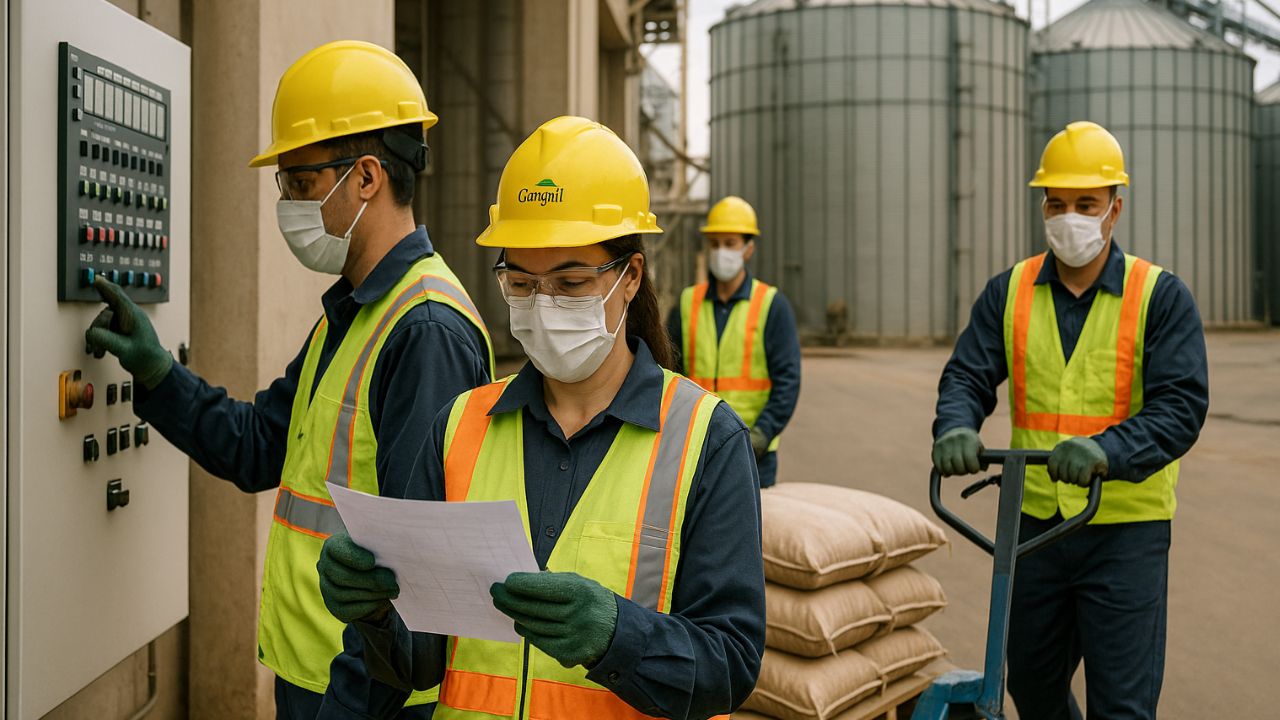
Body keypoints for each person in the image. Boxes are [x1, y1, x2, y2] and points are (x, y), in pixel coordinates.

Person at [84, 40, 494, 719]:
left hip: (365, 698)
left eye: (300, 183)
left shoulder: (424, 332)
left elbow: (413, 571)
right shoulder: (356, 314)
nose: (288, 205)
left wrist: (349, 705)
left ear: (366, 176)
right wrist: (158, 374)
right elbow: (258, 446)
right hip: (317, 678)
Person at [314, 116, 765, 720]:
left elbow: (730, 664)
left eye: (571, 282)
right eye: (521, 282)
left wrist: (618, 636)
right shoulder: (457, 428)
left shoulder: (706, 441)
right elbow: (419, 664)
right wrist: (374, 615)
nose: (543, 305)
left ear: (629, 278)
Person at [931, 121, 1208, 719]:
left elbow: (1181, 405)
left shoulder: (1159, 296)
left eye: (1086, 204)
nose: (1070, 218)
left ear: (1115, 209)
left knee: (1122, 706)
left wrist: (1109, 450)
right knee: (1030, 684)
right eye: (1057, 204)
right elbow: (967, 375)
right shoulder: (1010, 291)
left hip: (1124, 531)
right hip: (1036, 526)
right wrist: (955, 426)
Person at [666, 196, 800, 488]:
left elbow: (787, 382)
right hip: (695, 447)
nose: (721, 251)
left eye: (730, 243)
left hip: (755, 452)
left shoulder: (771, 305)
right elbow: (668, 370)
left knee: (752, 531)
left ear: (748, 249)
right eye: (714, 244)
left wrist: (762, 435)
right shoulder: (688, 303)